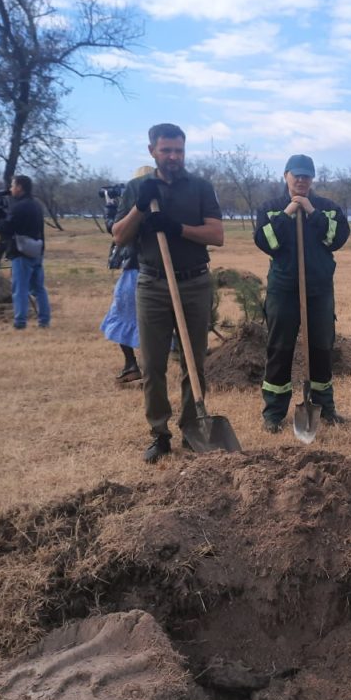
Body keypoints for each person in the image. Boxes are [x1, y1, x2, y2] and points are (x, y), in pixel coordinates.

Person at [111, 124, 224, 463]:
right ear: (152, 151)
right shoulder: (137, 188)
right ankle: (160, 434)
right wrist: (140, 208)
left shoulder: (201, 187)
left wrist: (178, 229)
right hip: (153, 284)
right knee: (152, 364)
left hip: (194, 282)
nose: (174, 157)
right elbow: (119, 236)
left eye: (179, 150)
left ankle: (193, 427)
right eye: (166, 151)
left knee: (194, 361)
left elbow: (217, 235)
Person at [253, 154, 350, 433]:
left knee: (321, 349)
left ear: (312, 179)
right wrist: (288, 213)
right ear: (285, 176)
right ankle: (273, 413)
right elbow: (266, 241)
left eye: (306, 175)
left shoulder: (327, 209)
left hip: (318, 291)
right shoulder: (270, 208)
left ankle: (325, 408)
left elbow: (337, 238)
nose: (301, 180)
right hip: (283, 291)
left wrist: (310, 211)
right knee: (279, 350)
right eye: (296, 175)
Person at [100, 167, 153, 384]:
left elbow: (116, 233)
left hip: (136, 268)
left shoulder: (137, 209)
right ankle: (137, 366)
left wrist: (111, 209)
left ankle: (134, 365)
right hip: (141, 267)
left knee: (125, 316)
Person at [0, 175, 51, 329]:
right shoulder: (36, 205)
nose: (10, 189)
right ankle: (44, 320)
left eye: (13, 185)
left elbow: (9, 227)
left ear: (20, 187)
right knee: (39, 288)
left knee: (19, 288)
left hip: (21, 252)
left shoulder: (19, 207)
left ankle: (20, 322)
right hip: (37, 250)